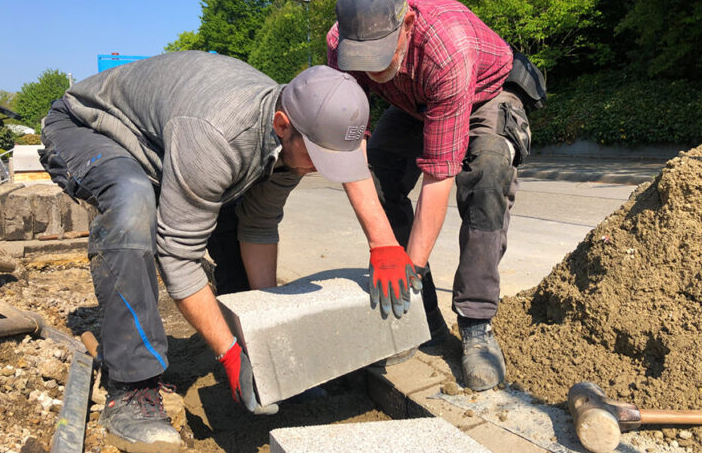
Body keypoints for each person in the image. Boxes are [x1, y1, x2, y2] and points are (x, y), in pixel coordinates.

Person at [39, 51, 420, 452]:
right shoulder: (216, 136)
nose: (321, 170)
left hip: (168, 136)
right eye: (317, 158)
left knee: (233, 223)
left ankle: (254, 356)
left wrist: (269, 334)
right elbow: (179, 257)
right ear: (282, 125)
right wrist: (229, 354)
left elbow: (257, 227)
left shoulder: (292, 141)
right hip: (89, 127)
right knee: (134, 205)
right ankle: (131, 388)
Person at [327, 0, 546, 391]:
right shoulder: (343, 44)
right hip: (416, 104)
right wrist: (382, 245)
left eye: (380, 58)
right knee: (378, 172)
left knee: (487, 174)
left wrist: (410, 266)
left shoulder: (447, 47)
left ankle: (476, 323)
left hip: (485, 93)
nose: (371, 74)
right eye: (362, 63)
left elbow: (438, 173)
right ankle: (419, 314)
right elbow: (349, 143)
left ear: (406, 24)